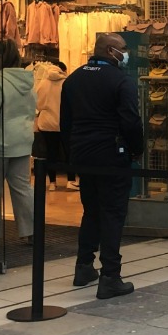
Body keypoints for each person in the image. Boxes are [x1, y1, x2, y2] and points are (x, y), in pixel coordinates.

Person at [61, 32, 144, 299]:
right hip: (112, 154)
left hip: (83, 156)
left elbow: (66, 123)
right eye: (123, 49)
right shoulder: (121, 80)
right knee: (113, 213)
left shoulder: (73, 79)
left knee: (92, 211)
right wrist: (136, 150)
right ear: (110, 51)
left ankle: (83, 265)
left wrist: (70, 157)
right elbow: (131, 121)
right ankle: (110, 275)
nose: (126, 52)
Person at [0, 40, 36, 245]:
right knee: (22, 187)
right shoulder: (28, 80)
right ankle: (32, 230)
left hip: (0, 141)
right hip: (23, 138)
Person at [34, 61, 76, 191]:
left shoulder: (43, 83)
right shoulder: (67, 82)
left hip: (47, 123)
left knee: (51, 152)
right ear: (62, 70)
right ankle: (71, 180)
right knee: (69, 152)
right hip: (64, 122)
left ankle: (52, 182)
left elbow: (38, 104)